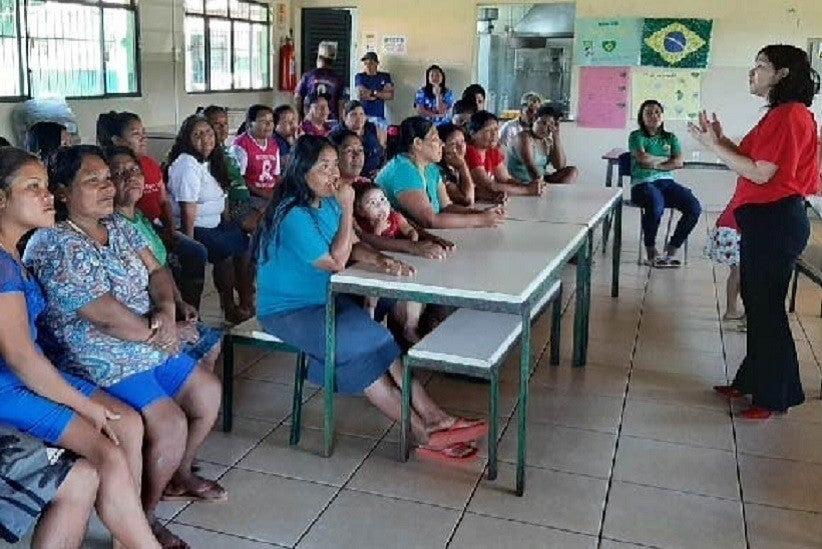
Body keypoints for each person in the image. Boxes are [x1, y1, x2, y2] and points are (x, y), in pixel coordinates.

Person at [24, 145, 226, 548]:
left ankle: (175, 476)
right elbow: (101, 314)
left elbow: (159, 270)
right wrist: (160, 333)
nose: (107, 188)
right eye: (91, 180)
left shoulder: (118, 226)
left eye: (107, 179)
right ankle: (141, 520)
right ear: (62, 192)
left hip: (147, 339)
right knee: (169, 422)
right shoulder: (51, 244)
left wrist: (167, 310)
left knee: (207, 391)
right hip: (97, 356)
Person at [254, 134, 488, 462]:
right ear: (302, 171)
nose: (333, 172)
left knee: (380, 344)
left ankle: (434, 420)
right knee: (371, 343)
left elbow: (351, 244)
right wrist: (349, 206)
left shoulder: (326, 203)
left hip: (324, 299)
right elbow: (336, 260)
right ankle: (426, 432)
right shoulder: (293, 214)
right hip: (288, 310)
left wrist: (382, 260)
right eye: (324, 166)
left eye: (334, 164)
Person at [0, 146, 161, 548]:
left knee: (122, 424)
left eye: (45, 186)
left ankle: (131, 534)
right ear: (1, 200)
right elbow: (19, 356)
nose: (47, 195)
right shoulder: (2, 266)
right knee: (104, 453)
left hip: (27, 375)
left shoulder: (12, 252)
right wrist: (85, 406)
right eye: (32, 187)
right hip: (8, 388)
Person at [688, 44, 820, 419]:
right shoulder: (777, 115)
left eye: (761, 66)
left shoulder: (791, 116)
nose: (752, 73)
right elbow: (748, 162)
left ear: (782, 74)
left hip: (777, 221)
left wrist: (715, 146)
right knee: (759, 304)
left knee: (766, 309)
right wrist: (719, 140)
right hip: (766, 220)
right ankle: (752, 380)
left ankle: (774, 396)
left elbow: (762, 173)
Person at [108, 145, 223, 367]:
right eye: (119, 173)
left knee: (213, 344)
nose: (131, 177)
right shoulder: (114, 228)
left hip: (163, 306)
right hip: (145, 318)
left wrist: (180, 302)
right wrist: (169, 323)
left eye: (134, 170)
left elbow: (161, 267)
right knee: (203, 350)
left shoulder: (139, 218)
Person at [97, 110, 209, 310]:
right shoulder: (114, 224)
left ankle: (190, 308)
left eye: (134, 171)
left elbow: (163, 200)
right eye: (135, 133)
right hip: (145, 310)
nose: (143, 137)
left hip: (151, 224)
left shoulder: (149, 166)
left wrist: (170, 231)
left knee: (193, 251)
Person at [165, 115, 255, 323]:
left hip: (214, 223)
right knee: (223, 251)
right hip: (192, 226)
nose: (205, 138)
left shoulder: (213, 159)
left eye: (208, 132)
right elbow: (187, 207)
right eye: (197, 134)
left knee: (244, 244)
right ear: (187, 140)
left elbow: (221, 196)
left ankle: (246, 301)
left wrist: (227, 223)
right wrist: (189, 243)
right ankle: (229, 306)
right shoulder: (186, 164)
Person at [330, 130, 450, 260]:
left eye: (360, 150)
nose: (357, 156)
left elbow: (394, 215)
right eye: (349, 151)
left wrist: (429, 237)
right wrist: (412, 246)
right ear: (334, 157)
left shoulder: (363, 182)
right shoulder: (334, 192)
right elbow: (360, 236)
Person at [375, 116, 506, 229]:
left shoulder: (431, 168)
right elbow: (429, 220)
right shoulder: (403, 169)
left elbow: (446, 207)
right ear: (418, 143)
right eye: (435, 139)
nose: (442, 144)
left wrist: (481, 214)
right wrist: (481, 220)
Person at [630, 99, 702, 267]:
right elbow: (643, 158)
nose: (653, 116)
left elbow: (678, 162)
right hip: (643, 185)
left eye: (657, 112)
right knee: (656, 204)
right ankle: (650, 250)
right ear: (642, 117)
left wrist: (655, 163)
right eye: (648, 113)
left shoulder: (671, 138)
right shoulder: (636, 136)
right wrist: (665, 161)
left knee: (694, 207)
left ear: (662, 116)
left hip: (666, 184)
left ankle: (671, 251)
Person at [353, 182, 424, 342]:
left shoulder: (396, 218)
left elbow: (411, 232)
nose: (380, 206)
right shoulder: (363, 227)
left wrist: (412, 240)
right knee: (372, 289)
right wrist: (377, 229)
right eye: (372, 203)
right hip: (376, 266)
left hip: (398, 263)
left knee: (416, 288)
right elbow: (371, 245)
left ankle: (411, 326)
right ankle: (370, 315)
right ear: (361, 211)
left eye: (383, 199)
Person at [201, 105, 256, 234]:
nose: (223, 128)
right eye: (217, 124)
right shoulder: (211, 155)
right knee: (268, 228)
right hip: (233, 205)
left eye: (225, 123)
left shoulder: (228, 151)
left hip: (246, 201)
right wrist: (226, 216)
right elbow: (222, 188)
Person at [466, 111, 546, 197]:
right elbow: (488, 185)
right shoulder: (470, 151)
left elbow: (505, 179)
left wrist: (529, 186)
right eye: (488, 130)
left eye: (496, 129)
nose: (494, 134)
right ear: (473, 133)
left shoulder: (491, 151)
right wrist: (527, 190)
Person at [507, 104, 578, 184]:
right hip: (523, 181)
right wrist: (541, 184)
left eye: (550, 124)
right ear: (534, 120)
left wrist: (556, 136)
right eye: (543, 123)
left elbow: (559, 166)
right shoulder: (523, 137)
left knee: (572, 171)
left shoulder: (547, 141)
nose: (546, 128)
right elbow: (530, 167)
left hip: (541, 178)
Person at [231, 104, 281, 213]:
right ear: (250, 124)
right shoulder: (241, 145)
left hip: (270, 194)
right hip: (251, 196)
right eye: (263, 121)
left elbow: (276, 175)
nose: (269, 125)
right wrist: (264, 194)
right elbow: (240, 179)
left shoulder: (273, 144)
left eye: (271, 121)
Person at [295, 41, 348, 120]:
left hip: (311, 119)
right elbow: (341, 102)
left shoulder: (308, 76)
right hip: (331, 119)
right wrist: (341, 122)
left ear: (319, 58)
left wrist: (299, 116)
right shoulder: (338, 79)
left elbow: (297, 97)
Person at [332, 100, 386, 177]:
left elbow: (382, 151)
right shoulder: (336, 135)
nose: (359, 118)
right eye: (354, 114)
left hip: (375, 175)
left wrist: (380, 169)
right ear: (345, 116)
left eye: (361, 114)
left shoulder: (372, 128)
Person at [354, 51, 394, 127]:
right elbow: (360, 94)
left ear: (377, 63)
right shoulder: (360, 76)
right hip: (364, 117)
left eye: (371, 63)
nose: (368, 66)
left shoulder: (385, 76)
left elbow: (390, 95)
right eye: (365, 63)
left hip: (380, 117)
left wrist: (373, 93)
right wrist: (380, 93)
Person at [273, 104, 299, 168]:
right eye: (286, 121)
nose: (292, 123)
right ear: (276, 126)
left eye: (293, 119)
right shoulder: (276, 141)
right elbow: (288, 162)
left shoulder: (294, 138)